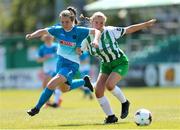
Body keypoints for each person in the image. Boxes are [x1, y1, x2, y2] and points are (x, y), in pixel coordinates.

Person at [80, 12, 156, 124]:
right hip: (106, 64)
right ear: (92, 22)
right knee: (98, 92)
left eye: (101, 23)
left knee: (110, 85)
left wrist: (145, 24)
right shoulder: (87, 38)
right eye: (96, 22)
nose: (99, 25)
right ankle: (111, 117)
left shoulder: (110, 31)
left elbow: (128, 29)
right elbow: (78, 50)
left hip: (120, 62)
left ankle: (125, 102)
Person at [26, 7, 101, 116]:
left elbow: (97, 31)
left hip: (71, 65)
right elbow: (43, 31)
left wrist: (95, 40)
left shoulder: (78, 30)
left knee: (51, 84)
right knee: (65, 89)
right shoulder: (58, 29)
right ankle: (84, 81)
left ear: (72, 20)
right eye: (62, 22)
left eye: (67, 22)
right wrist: (32, 35)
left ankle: (36, 108)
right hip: (60, 63)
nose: (64, 24)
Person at [37, 34, 62, 108]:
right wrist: (45, 58)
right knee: (46, 86)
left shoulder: (56, 46)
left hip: (55, 68)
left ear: (52, 38)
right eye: (46, 37)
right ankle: (50, 101)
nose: (48, 38)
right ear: (44, 38)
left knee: (49, 84)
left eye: (49, 36)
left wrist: (52, 56)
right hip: (46, 69)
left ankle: (55, 101)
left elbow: (60, 55)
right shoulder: (42, 48)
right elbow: (38, 59)